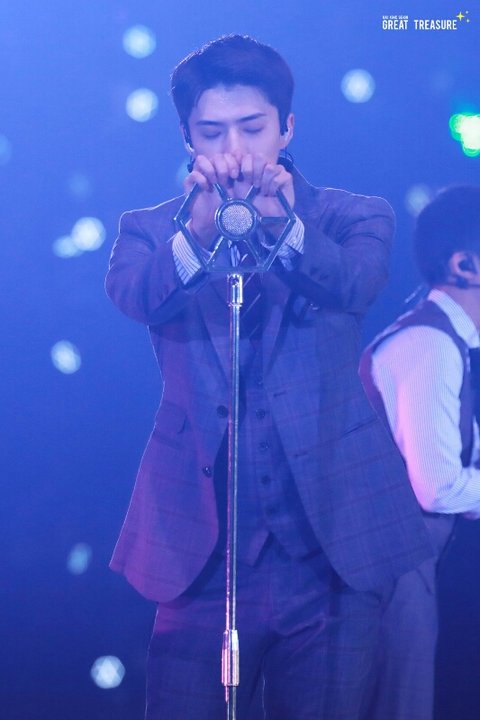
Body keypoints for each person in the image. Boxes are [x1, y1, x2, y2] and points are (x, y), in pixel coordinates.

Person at [106, 34, 431, 719]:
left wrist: (285, 227)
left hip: (330, 549)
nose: (235, 150)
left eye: (252, 128)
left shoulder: (350, 215)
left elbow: (354, 284)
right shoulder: (150, 230)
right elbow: (136, 297)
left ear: (287, 127)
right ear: (187, 138)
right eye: (212, 132)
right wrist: (198, 232)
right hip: (200, 552)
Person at [359, 185, 480, 720]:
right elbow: (438, 486)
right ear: (465, 265)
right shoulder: (428, 345)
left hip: (408, 574)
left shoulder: (445, 342)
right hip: (389, 581)